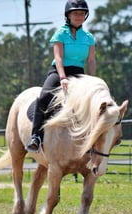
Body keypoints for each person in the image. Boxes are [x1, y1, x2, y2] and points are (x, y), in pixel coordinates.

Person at [25, 0, 96, 153]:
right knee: (44, 96)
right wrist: (63, 77)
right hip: (59, 72)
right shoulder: (60, 33)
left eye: (82, 13)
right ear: (68, 15)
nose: (79, 16)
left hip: (79, 74)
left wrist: (93, 81)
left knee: (91, 103)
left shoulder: (89, 37)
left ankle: (92, 140)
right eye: (75, 13)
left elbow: (91, 60)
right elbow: (58, 58)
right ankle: (35, 136)